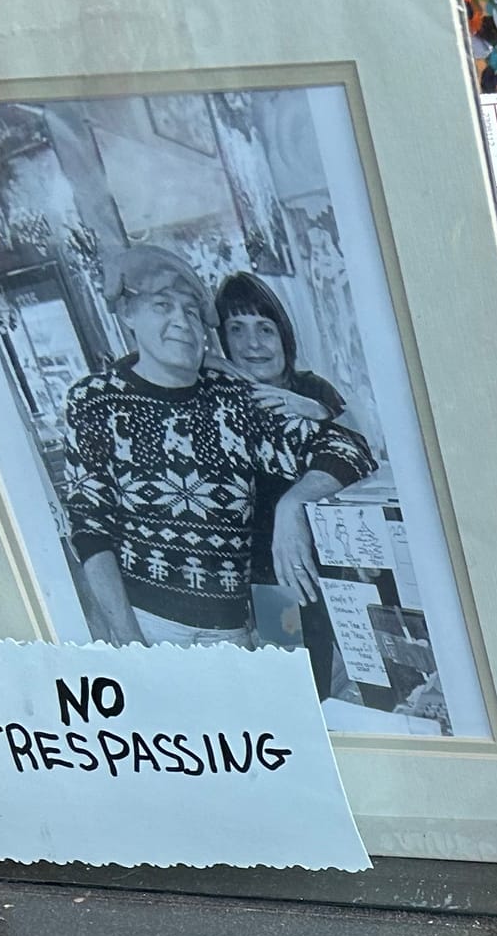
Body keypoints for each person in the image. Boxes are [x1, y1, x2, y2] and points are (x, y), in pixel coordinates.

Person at [63, 244, 374, 648]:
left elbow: (351, 447)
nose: (181, 321)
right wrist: (127, 638)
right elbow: (90, 527)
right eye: (162, 305)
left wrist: (294, 502)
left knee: (310, 686)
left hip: (243, 622)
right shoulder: (95, 399)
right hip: (154, 625)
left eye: (191, 311)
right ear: (127, 314)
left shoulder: (239, 400)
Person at [214, 273, 360, 657]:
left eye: (264, 328)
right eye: (237, 329)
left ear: (283, 336)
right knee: (304, 678)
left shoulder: (313, 388)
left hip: (343, 564)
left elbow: (364, 450)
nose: (253, 343)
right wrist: (217, 364)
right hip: (272, 578)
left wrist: (317, 413)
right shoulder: (222, 399)